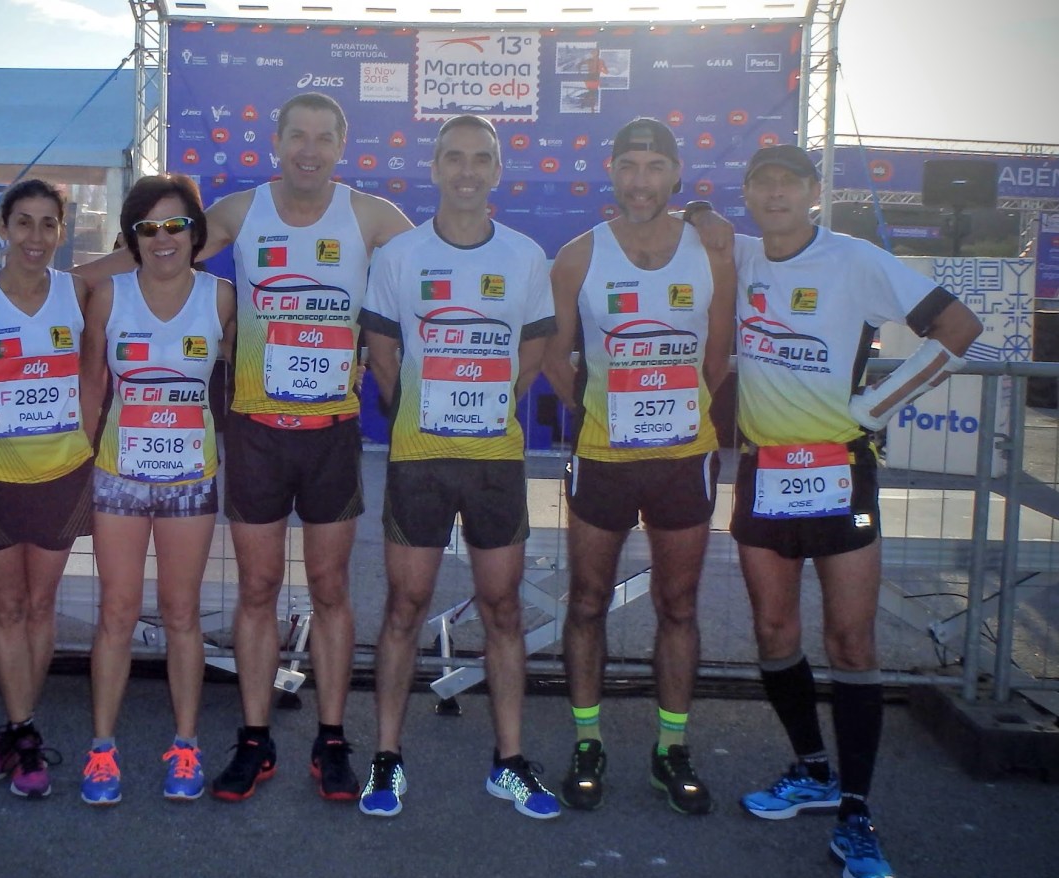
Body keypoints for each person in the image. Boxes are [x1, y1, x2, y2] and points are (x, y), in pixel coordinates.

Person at [77, 92, 412, 803]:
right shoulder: (240, 211)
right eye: (298, 136)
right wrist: (57, 283)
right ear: (276, 142)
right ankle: (254, 739)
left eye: (323, 138)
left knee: (329, 590)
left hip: (331, 434)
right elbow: (158, 248)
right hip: (257, 433)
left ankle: (331, 739)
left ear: (342, 146)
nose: (309, 150)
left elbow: (429, 275)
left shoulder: (371, 216)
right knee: (257, 589)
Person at [730, 144, 979, 878]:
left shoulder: (855, 259)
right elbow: (683, 230)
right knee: (774, 630)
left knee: (851, 638)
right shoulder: (739, 255)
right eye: (763, 182)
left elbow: (958, 326)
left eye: (790, 182)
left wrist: (877, 406)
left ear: (813, 192)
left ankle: (857, 811)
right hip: (764, 472)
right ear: (750, 193)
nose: (776, 193)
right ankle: (812, 769)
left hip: (840, 470)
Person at [357, 115, 559, 819]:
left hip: (495, 460)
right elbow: (382, 350)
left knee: (502, 608)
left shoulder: (525, 256)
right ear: (435, 167)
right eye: (454, 157)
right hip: (418, 458)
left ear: (497, 170)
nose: (467, 171)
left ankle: (509, 762)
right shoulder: (401, 255)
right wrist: (413, 410)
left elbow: (532, 350)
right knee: (404, 606)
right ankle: (387, 757)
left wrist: (490, 403)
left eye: (480, 159)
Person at [543, 117, 735, 816]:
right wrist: (599, 412)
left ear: (676, 175)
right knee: (587, 601)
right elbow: (553, 356)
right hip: (603, 458)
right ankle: (587, 739)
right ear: (612, 173)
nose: (641, 181)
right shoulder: (578, 256)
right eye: (629, 166)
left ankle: (671, 748)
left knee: (677, 604)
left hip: (684, 459)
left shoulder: (711, 250)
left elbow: (717, 359)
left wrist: (669, 411)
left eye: (655, 167)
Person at [77, 174, 236, 806]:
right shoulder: (108, 296)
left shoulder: (220, 298)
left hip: (189, 480)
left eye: (176, 225)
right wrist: (78, 458)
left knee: (180, 613)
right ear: (132, 237)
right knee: (116, 612)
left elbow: (245, 377)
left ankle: (186, 744)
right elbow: (92, 385)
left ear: (195, 233)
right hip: (119, 476)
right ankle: (102, 750)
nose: (163, 238)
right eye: (148, 228)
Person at [0, 180, 95, 800]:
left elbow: (146, 258)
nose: (36, 237)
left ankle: (19, 729)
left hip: (63, 474)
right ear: (3, 228)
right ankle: (25, 732)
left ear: (62, 231)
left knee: (41, 605)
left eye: (48, 224)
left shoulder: (78, 290)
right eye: (24, 222)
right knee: (7, 607)